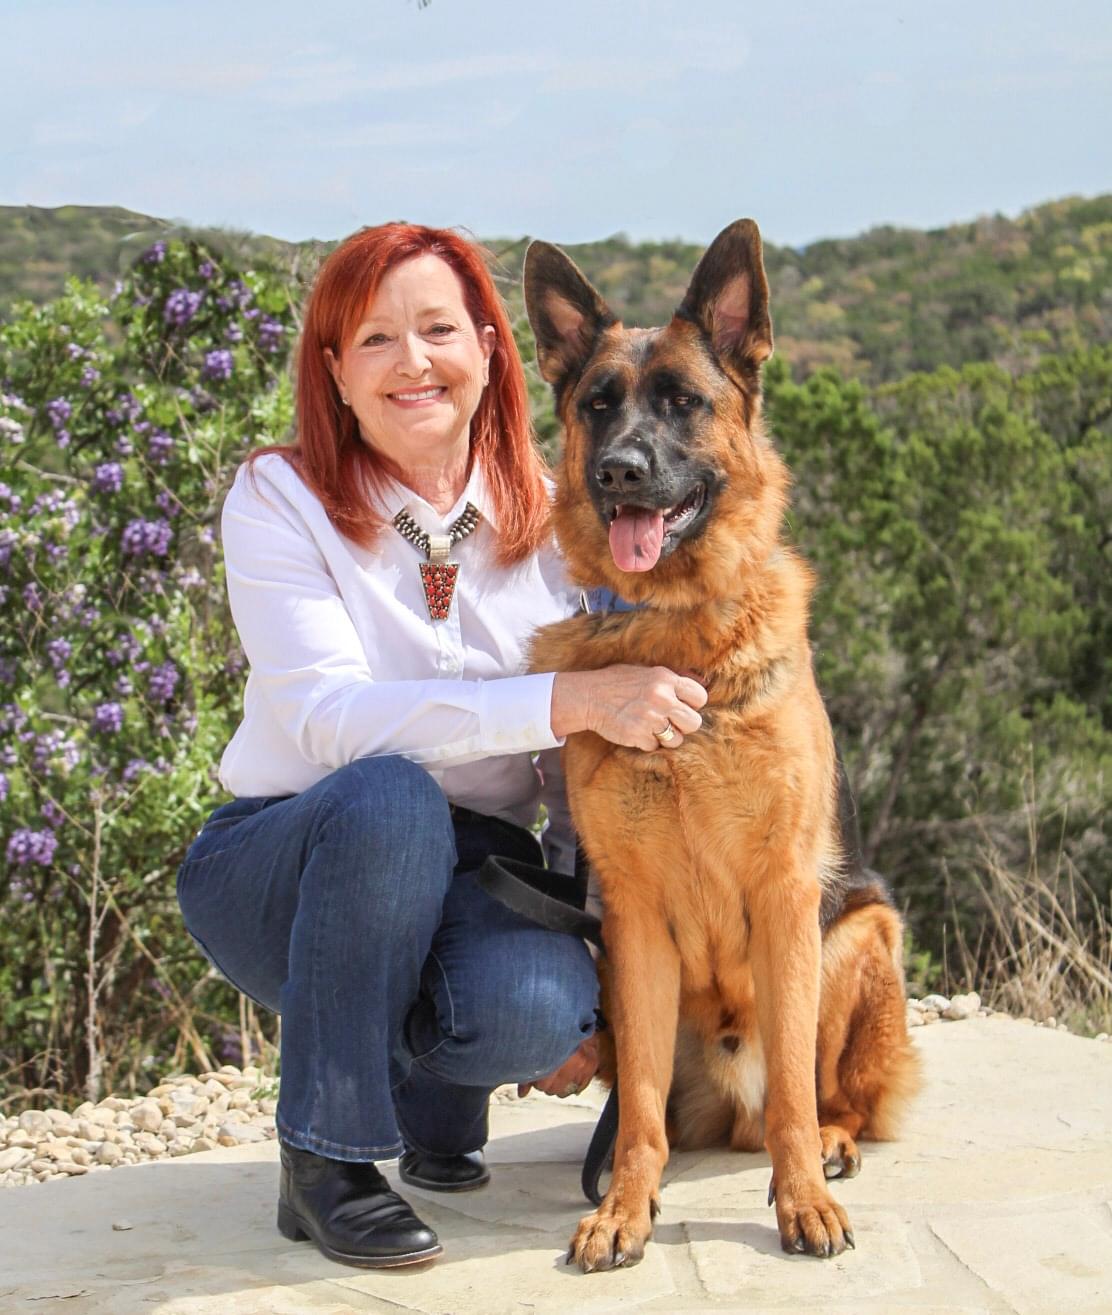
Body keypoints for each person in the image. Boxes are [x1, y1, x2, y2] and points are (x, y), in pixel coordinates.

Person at [175, 222, 708, 1270]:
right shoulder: (279, 498)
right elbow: (329, 721)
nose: (411, 361)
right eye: (374, 339)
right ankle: (326, 1161)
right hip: (289, 855)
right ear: (335, 371)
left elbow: (586, 774)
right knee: (390, 799)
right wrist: (563, 698)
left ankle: (434, 1098)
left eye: (437, 330)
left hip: (477, 865)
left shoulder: (558, 519)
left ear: (490, 351)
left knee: (537, 1007)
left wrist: (611, 998)